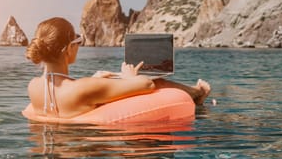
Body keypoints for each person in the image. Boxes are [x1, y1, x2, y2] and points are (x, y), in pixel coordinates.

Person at [25, 17, 211, 119]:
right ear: (68, 49)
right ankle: (196, 93)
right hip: (91, 152)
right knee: (158, 80)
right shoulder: (83, 87)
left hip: (58, 150)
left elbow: (66, 90)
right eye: (78, 40)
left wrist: (94, 79)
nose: (80, 45)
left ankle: (196, 93)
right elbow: (147, 85)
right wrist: (129, 76)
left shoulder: (33, 86)